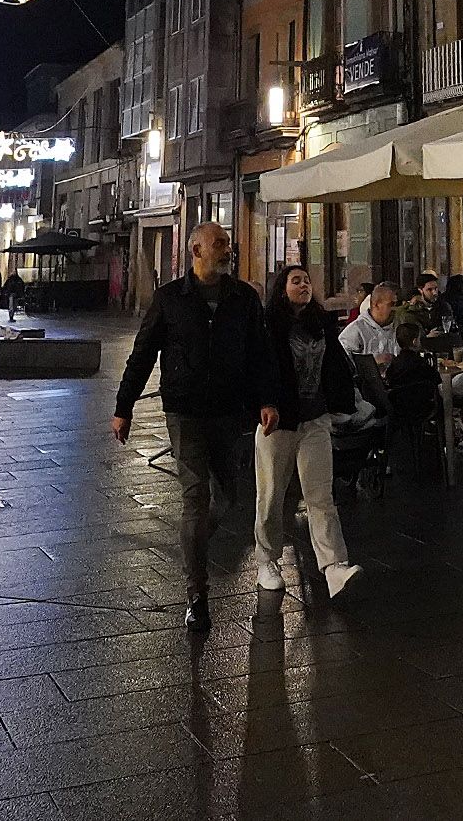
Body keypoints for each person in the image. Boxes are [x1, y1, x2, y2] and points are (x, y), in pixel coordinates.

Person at [112, 222, 286, 632]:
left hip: (229, 412)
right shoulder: (171, 298)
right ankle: (197, 592)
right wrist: (124, 407)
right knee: (195, 496)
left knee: (226, 498)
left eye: (227, 242)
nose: (227, 249)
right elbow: (142, 354)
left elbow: (260, 353)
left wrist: (267, 399)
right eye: (219, 244)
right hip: (186, 412)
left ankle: (192, 543)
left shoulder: (243, 298)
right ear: (195, 250)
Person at [254, 266, 361, 599]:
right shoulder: (269, 325)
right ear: (281, 288)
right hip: (278, 422)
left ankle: (333, 567)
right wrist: (264, 402)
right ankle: (266, 559)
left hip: (315, 420)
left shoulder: (321, 324)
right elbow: (258, 366)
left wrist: (339, 400)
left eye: (306, 281)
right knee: (272, 497)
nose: (303, 285)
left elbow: (335, 365)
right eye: (295, 281)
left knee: (320, 496)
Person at [340, 281, 403, 366]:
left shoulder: (400, 327)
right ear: (376, 304)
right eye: (392, 304)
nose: (396, 308)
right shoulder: (355, 331)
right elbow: (343, 364)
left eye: (398, 304)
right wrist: (372, 362)